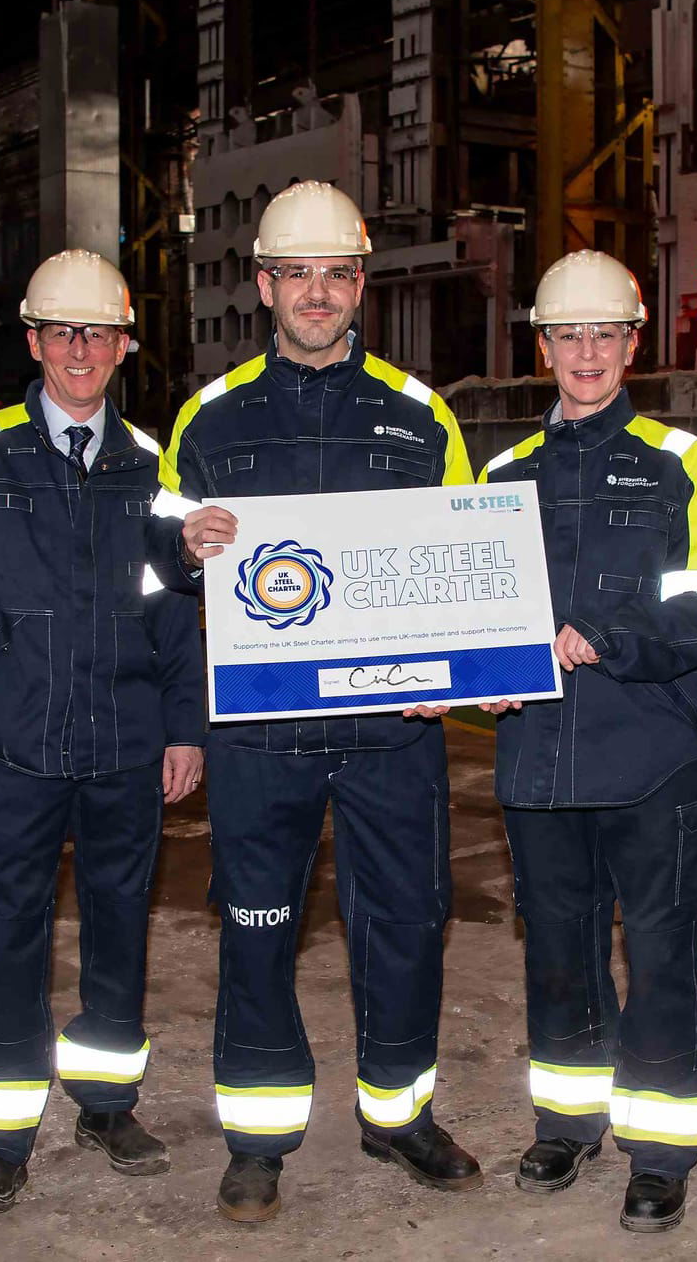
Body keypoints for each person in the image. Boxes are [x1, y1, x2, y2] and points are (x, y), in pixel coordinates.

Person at [159, 180, 480, 1224]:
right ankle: (258, 1139)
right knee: (257, 927)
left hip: (393, 732)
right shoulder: (207, 421)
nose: (315, 293)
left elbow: (468, 570)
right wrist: (179, 550)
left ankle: (398, 1117)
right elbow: (156, 580)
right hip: (261, 730)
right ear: (263, 285)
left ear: (359, 286)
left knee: (405, 924)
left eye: (335, 274)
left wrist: (453, 679)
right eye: (295, 274)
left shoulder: (419, 414)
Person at [0, 248, 205, 1215]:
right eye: (63, 332)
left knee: (120, 930)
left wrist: (184, 728)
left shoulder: (154, 465)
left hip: (125, 743)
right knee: (8, 938)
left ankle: (108, 1105)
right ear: (34, 341)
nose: (81, 350)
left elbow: (179, 613)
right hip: (11, 747)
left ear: (123, 348)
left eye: (100, 334)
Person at [476, 250, 697, 1234]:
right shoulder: (500, 478)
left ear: (633, 343)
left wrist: (609, 637)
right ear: (540, 346)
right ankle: (567, 1122)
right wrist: (457, 681)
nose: (584, 353)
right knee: (557, 950)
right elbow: (470, 617)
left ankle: (660, 1152)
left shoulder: (682, 464)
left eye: (603, 334)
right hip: (538, 761)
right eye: (566, 336)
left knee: (662, 955)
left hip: (651, 762)